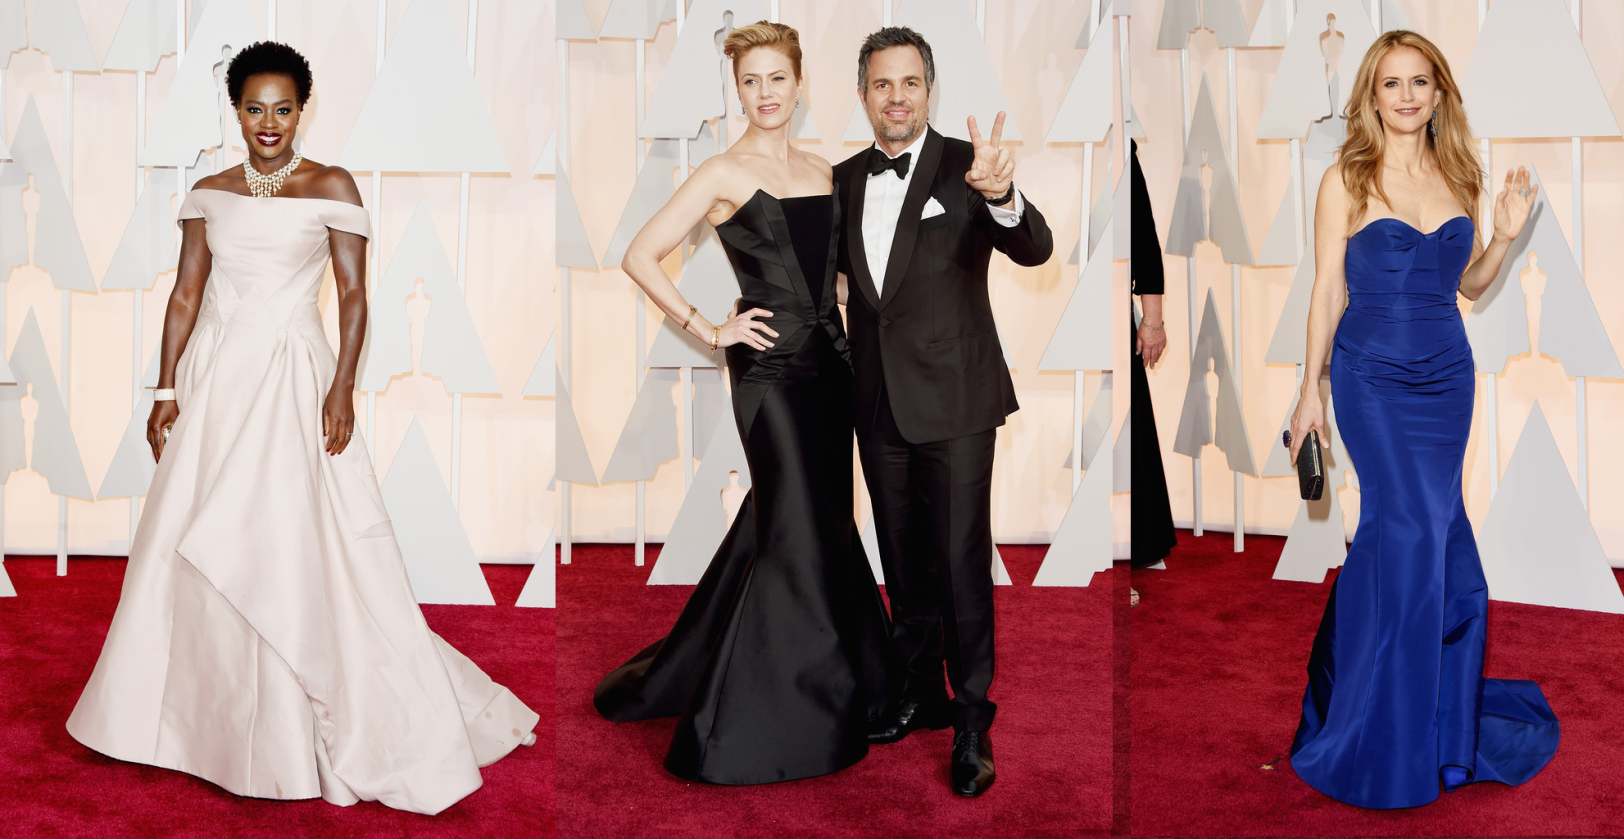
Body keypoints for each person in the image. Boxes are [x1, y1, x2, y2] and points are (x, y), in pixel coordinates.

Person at [64, 43, 538, 816]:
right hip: (217, 382)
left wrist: (341, 385)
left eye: (283, 108)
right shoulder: (209, 192)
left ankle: (300, 716)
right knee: (190, 530)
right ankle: (191, 722)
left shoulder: (332, 185)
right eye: (255, 108)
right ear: (236, 109)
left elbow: (352, 296)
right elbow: (185, 295)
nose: (269, 122)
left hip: (292, 376)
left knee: (288, 532)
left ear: (302, 110)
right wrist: (165, 388)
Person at [593, 21, 893, 786]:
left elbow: (832, 278)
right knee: (793, 523)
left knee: (817, 516)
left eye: (776, 78)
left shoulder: (824, 171)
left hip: (831, 366)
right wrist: (709, 328)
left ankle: (818, 671)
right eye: (750, 81)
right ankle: (784, 710)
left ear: (799, 84)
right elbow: (638, 254)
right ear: (738, 91)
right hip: (768, 373)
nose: (764, 93)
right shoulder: (721, 172)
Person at [1286, 30, 1558, 809]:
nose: (1406, 96)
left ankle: (1421, 715)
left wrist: (1502, 237)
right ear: (1371, 97)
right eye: (1391, 83)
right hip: (1370, 377)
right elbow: (1326, 291)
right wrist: (1310, 389)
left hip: (1445, 378)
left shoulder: (1458, 172)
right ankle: (1372, 725)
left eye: (1420, 82)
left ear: (1439, 93)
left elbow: (1467, 284)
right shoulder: (1345, 178)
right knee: (1405, 533)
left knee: (1432, 535)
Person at [832, 27, 1053, 797]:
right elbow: (837, 287)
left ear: (929, 90)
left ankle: (971, 720)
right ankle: (921, 691)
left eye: (910, 83)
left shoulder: (970, 166)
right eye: (882, 84)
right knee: (902, 560)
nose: (896, 98)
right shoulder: (842, 179)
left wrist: (1001, 197)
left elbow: (1035, 248)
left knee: (960, 565)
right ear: (863, 94)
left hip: (957, 399)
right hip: (877, 403)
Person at [1129, 138, 1174, 608]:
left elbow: (1142, 232)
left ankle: (1134, 546)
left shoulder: (1122, 149)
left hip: (1112, 304)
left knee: (1129, 426)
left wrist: (1153, 320)